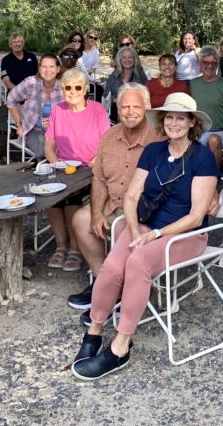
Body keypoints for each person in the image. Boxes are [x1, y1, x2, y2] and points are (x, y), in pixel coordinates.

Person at [70, 93, 218, 380]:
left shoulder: (202, 158)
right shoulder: (153, 151)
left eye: (180, 117)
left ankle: (121, 347)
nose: (174, 122)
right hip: (146, 227)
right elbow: (131, 195)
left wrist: (155, 235)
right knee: (113, 265)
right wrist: (136, 229)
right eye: (169, 117)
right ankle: (95, 331)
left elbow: (196, 216)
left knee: (137, 263)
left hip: (185, 235)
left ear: (191, 122)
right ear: (163, 121)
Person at [68, 84, 161, 321]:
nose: (130, 112)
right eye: (125, 106)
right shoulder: (109, 136)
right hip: (112, 205)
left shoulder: (159, 138)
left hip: (140, 212)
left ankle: (118, 292)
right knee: (81, 218)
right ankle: (103, 282)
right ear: (117, 109)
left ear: (147, 107)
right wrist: (98, 213)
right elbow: (99, 179)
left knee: (122, 229)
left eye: (136, 106)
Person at [44, 67, 111, 272]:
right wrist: (56, 163)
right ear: (62, 89)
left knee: (71, 197)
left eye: (77, 87)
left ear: (85, 90)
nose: (72, 91)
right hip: (64, 167)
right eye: (67, 88)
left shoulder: (97, 109)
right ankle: (61, 246)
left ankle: (75, 248)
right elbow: (49, 146)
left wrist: (92, 162)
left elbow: (106, 144)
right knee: (52, 197)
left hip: (91, 167)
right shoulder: (58, 110)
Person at [188, 46, 223, 167]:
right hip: (196, 131)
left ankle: (213, 176)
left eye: (213, 63)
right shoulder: (192, 84)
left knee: (213, 139)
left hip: (220, 132)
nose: (209, 66)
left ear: (217, 64)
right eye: (206, 62)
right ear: (200, 63)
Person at [6, 53, 64, 161]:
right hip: (34, 130)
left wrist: (55, 122)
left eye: (51, 66)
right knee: (45, 151)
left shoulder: (64, 87)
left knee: (66, 148)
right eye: (44, 66)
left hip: (58, 132)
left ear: (58, 69)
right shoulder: (30, 83)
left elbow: (74, 111)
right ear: (39, 68)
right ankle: (47, 173)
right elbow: (11, 99)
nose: (47, 70)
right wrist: (19, 123)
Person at [103, 45, 148, 121]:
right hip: (116, 111)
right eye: (124, 57)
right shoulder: (113, 76)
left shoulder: (140, 75)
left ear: (134, 59)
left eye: (130, 57)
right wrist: (116, 99)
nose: (127, 60)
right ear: (120, 60)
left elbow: (147, 94)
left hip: (136, 111)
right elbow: (105, 96)